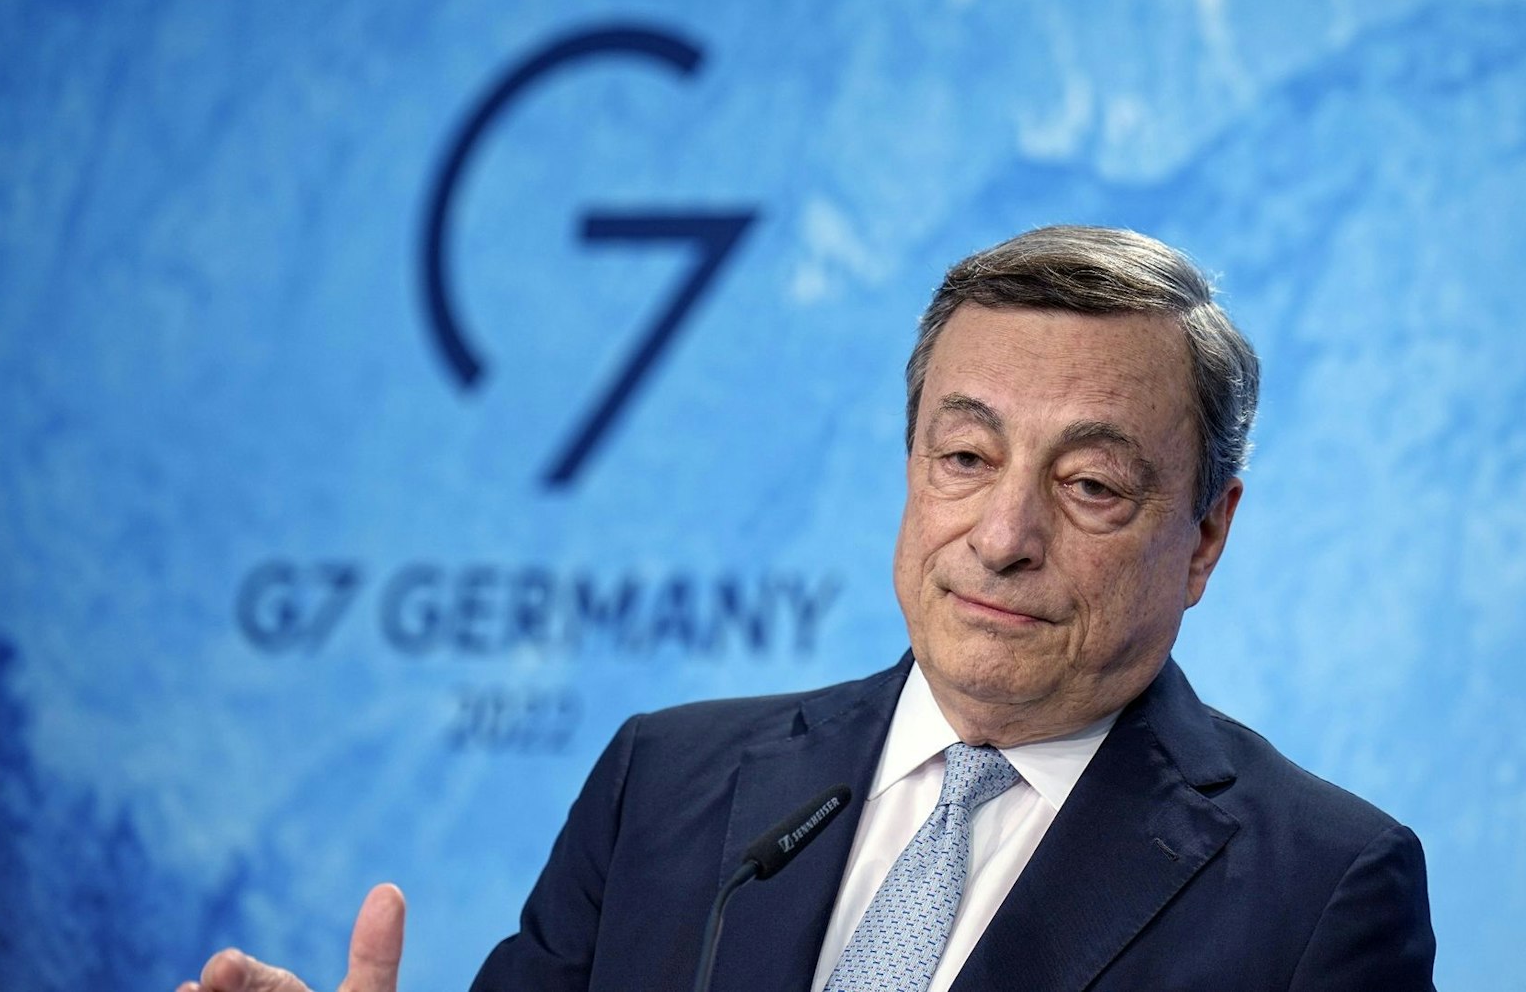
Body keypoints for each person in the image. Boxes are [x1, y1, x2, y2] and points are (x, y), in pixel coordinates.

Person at [182, 225, 1436, 992]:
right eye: (964, 457)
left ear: (1205, 534)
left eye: (1090, 484)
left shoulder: (1322, 887)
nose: (1002, 536)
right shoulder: (664, 783)